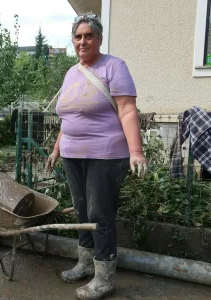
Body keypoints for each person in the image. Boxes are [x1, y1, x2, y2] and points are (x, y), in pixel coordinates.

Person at [46, 14, 147, 300]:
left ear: (99, 39)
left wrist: (136, 152)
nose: (82, 41)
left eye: (88, 35)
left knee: (100, 215)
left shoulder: (113, 66)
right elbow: (68, 119)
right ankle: (84, 264)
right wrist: (56, 150)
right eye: (78, 37)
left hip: (105, 154)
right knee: (82, 212)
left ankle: (104, 278)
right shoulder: (71, 72)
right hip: (72, 154)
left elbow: (127, 110)